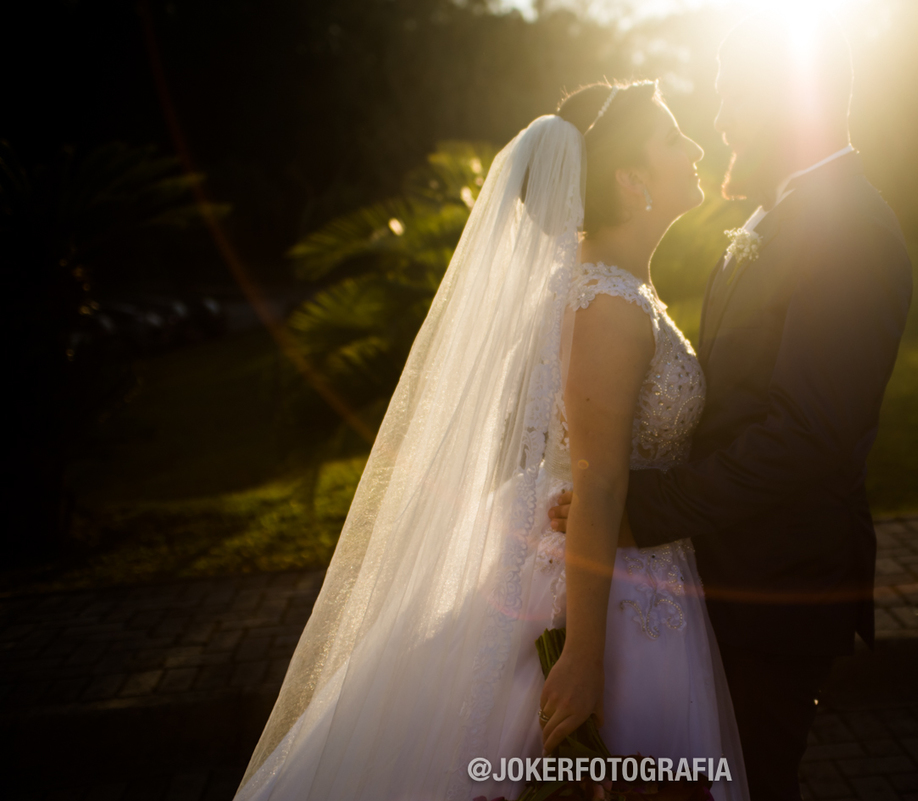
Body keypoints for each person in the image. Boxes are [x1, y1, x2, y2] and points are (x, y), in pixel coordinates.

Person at [232, 78, 750, 801]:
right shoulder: (607, 304)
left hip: (636, 564)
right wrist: (582, 657)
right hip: (604, 592)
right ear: (631, 179)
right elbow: (599, 482)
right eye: (672, 137)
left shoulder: (620, 290)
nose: (694, 146)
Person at [549, 8, 914, 801]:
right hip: (719, 578)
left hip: (778, 585)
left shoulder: (848, 226)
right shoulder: (779, 217)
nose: (718, 121)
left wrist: (642, 510)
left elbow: (806, 433)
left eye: (729, 97)